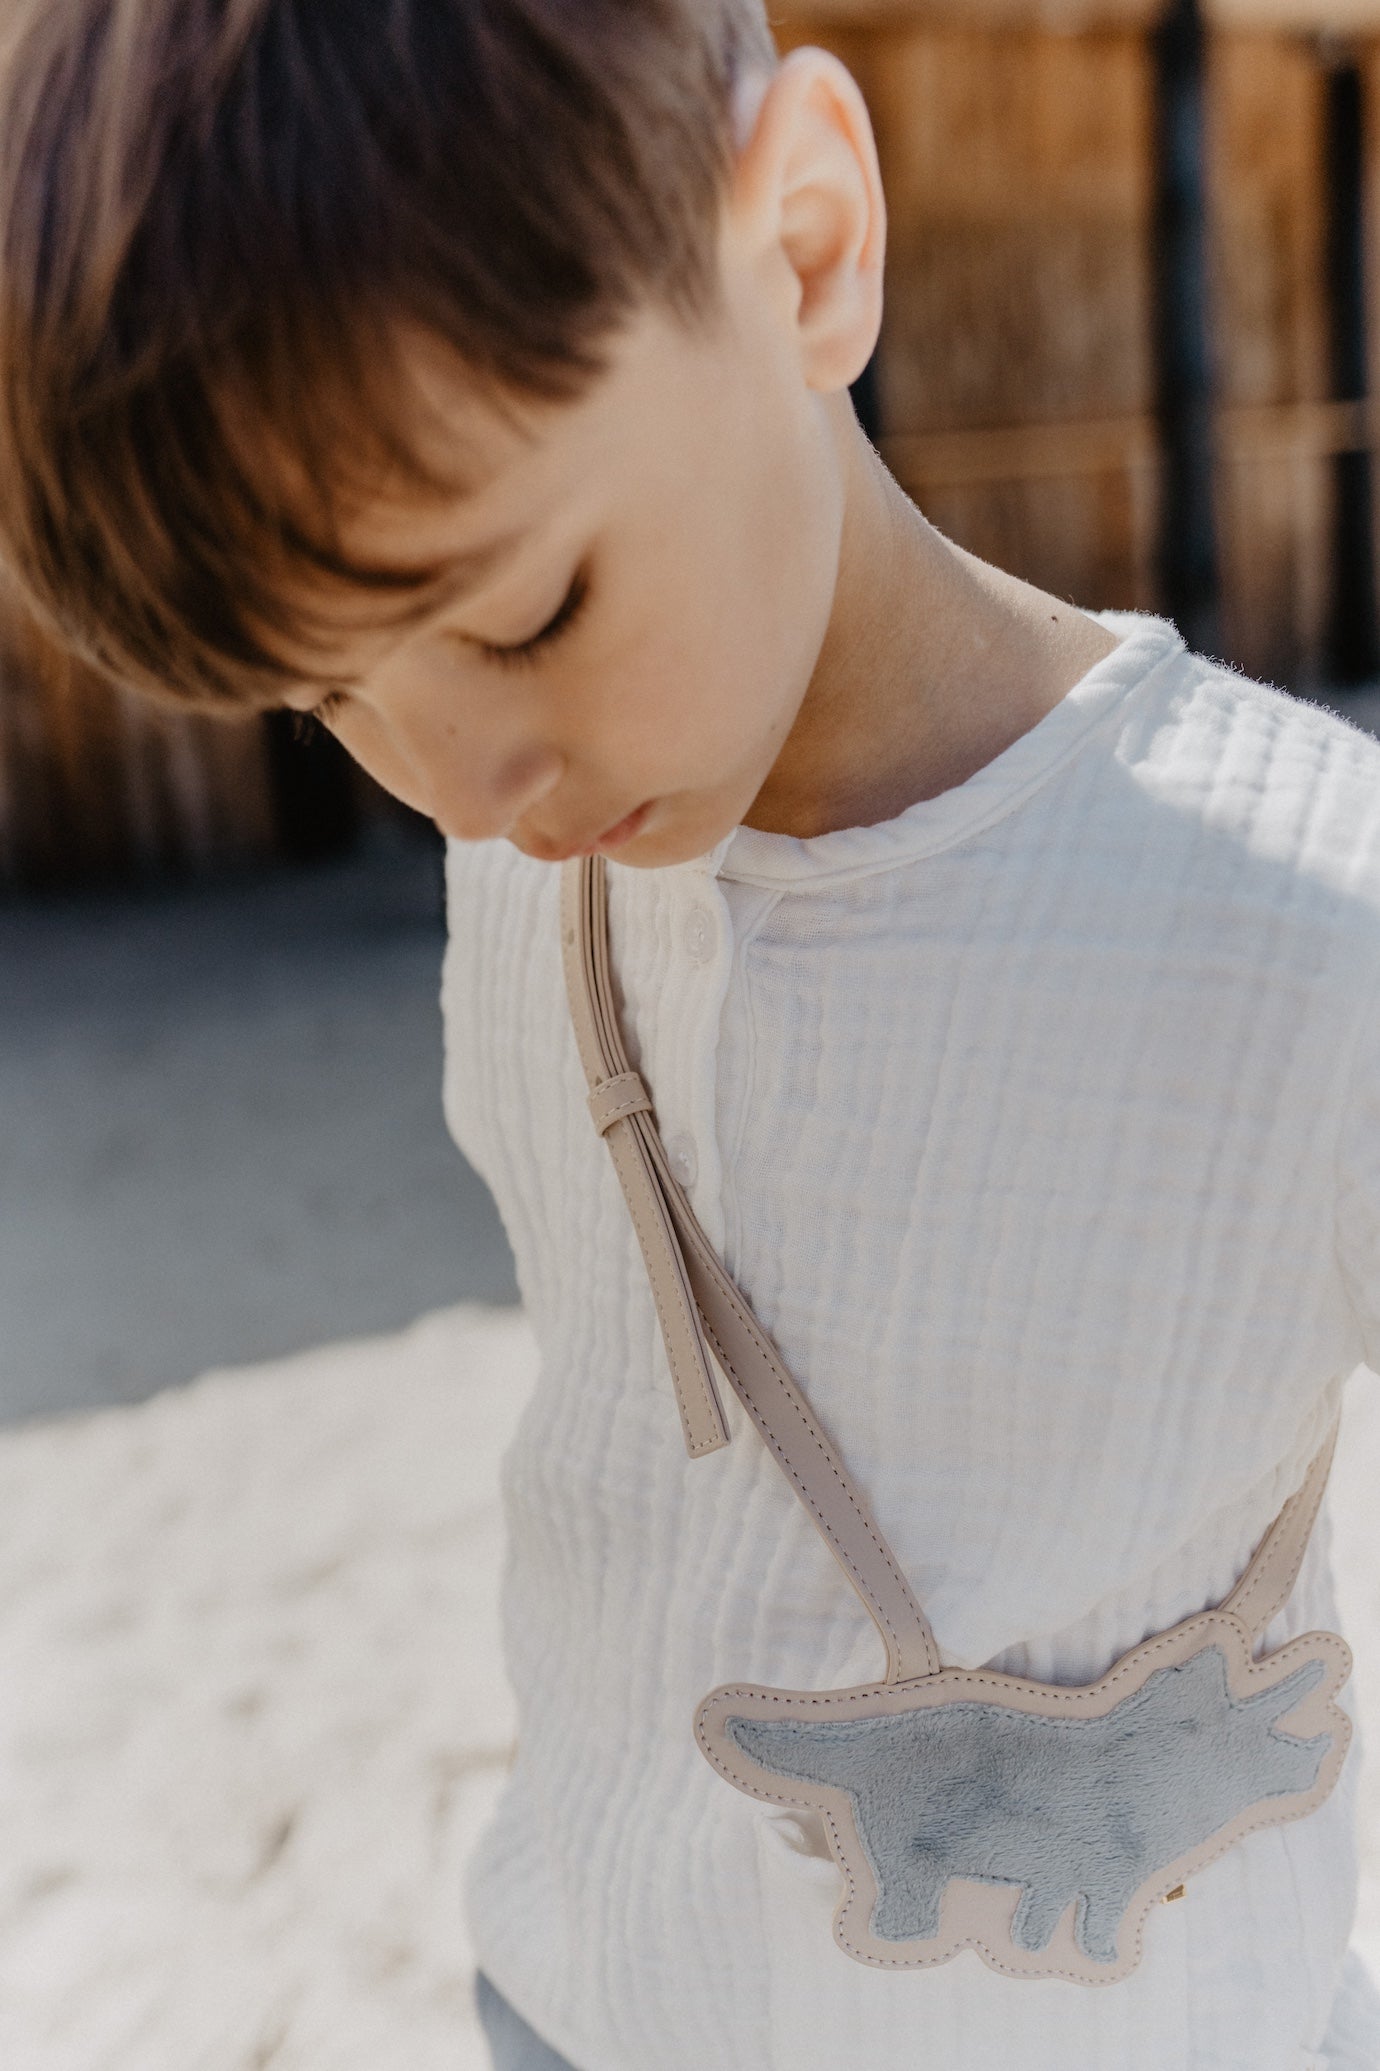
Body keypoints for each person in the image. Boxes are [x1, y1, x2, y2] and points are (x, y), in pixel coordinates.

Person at [0, 0, 1376, 2064]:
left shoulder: (1311, 921)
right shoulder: (533, 869)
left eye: (525, 611)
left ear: (807, 248)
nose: (455, 780)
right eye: (331, 697)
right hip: (585, 1993)